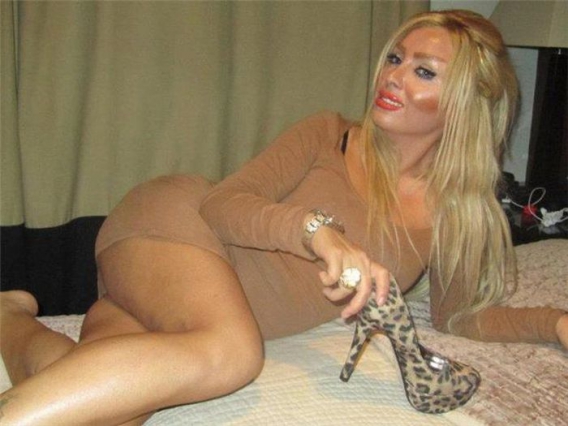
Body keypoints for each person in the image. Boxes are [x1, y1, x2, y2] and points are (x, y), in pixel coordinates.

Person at [1, 9, 567, 425]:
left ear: (466, 102)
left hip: (167, 302)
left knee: (109, 414)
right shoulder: (329, 135)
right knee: (232, 355)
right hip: (176, 227)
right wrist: (319, 234)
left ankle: (8, 315)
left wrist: (557, 325)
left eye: (424, 72)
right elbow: (223, 204)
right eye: (395, 59)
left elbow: (461, 317)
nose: (393, 77)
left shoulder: (454, 213)